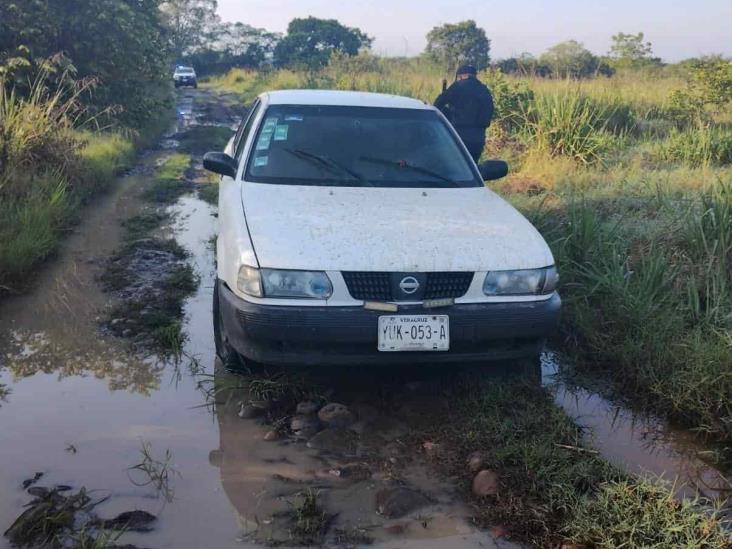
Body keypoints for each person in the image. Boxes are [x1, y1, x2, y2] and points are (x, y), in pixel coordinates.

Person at [434, 65, 494, 163]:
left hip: (459, 137)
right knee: (472, 168)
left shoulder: (457, 86)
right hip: (478, 139)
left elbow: (438, 104)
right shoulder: (483, 89)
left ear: (460, 76)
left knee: (454, 166)